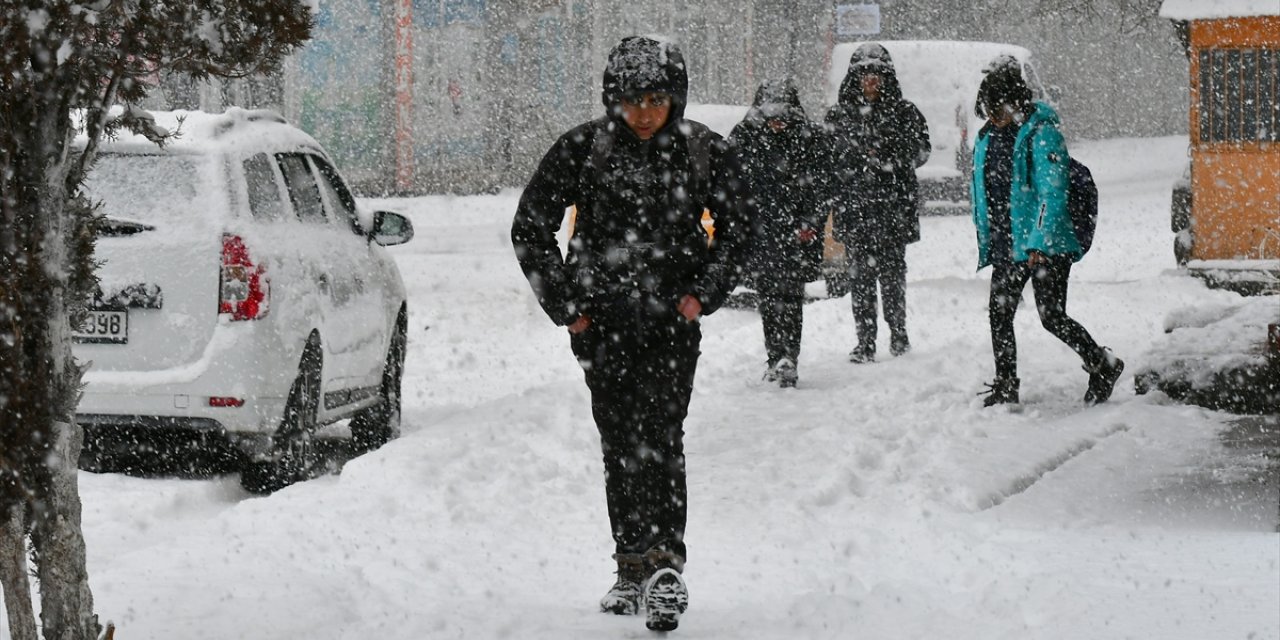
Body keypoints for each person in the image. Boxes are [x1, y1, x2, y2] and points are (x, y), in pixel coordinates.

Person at [510, 36, 752, 632]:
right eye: (632, 99)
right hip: (603, 327)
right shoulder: (583, 149)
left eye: (656, 98)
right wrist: (569, 305)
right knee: (620, 443)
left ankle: (665, 564)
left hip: (673, 325)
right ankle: (630, 566)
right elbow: (530, 227)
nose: (644, 111)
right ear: (612, 100)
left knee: (662, 437)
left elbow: (741, 228)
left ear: (675, 98)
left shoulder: (702, 152)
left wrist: (705, 294)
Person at [970, 57, 1124, 406]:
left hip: (1047, 244)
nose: (994, 116)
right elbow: (984, 190)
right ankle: (1006, 385)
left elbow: (1052, 192)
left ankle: (1103, 363)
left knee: (1051, 317)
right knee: (999, 313)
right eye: (989, 109)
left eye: (1000, 108)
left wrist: (1038, 241)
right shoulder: (987, 137)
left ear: (1015, 102)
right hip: (1008, 244)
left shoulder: (1042, 134)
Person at [824, 43, 930, 363]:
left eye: (877, 74)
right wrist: (851, 166)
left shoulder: (904, 112)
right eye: (865, 74)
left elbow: (922, 151)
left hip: (892, 210)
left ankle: (898, 334)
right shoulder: (839, 116)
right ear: (855, 78)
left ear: (886, 77)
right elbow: (827, 159)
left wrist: (890, 158)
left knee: (893, 276)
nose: (871, 80)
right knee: (860, 279)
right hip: (856, 211)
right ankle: (865, 341)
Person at [729, 79, 827, 388]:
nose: (777, 121)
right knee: (768, 298)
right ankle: (775, 357)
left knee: (790, 296)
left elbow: (821, 184)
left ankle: (789, 358)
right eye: (771, 114)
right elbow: (730, 180)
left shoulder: (808, 138)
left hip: (795, 234)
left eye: (782, 114)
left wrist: (810, 221)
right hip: (762, 231)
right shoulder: (744, 135)